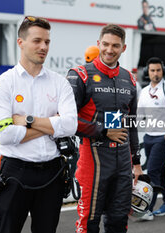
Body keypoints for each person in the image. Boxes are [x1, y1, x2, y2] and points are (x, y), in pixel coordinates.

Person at [0, 16, 77, 233]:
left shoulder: (60, 83)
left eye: (47, 42)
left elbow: (71, 126)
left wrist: (28, 121)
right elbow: (5, 135)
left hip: (53, 172)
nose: (43, 47)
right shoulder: (4, 83)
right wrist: (51, 125)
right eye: (37, 41)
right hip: (15, 171)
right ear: (21, 42)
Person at [66, 24, 143, 233]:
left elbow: (131, 122)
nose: (110, 50)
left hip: (123, 162)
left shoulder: (129, 78)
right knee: (89, 223)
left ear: (123, 48)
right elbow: (65, 120)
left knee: (119, 222)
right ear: (98, 44)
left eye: (115, 46)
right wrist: (103, 130)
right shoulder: (79, 75)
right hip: (93, 158)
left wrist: (136, 162)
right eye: (106, 44)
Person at [137, 57, 165, 221]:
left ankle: (147, 209)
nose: (155, 73)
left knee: (152, 171)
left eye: (158, 70)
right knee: (160, 172)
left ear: (163, 71)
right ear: (148, 72)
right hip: (148, 137)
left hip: (164, 137)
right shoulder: (144, 91)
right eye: (152, 70)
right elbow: (139, 115)